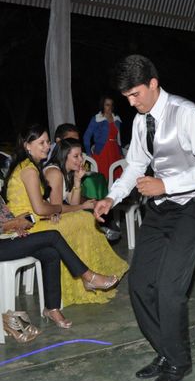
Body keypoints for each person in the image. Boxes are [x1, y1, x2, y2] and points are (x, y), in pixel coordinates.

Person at [93, 54, 195, 381]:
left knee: (170, 288)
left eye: (135, 94)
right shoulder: (140, 121)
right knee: (139, 284)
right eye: (126, 98)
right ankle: (165, 351)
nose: (131, 102)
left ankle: (179, 362)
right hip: (162, 207)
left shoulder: (186, 113)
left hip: (193, 205)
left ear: (153, 84)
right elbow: (135, 166)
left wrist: (166, 185)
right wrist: (112, 197)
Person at [3, 124, 127, 306]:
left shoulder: (30, 166)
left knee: (83, 219)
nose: (47, 146)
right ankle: (88, 278)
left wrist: (73, 186)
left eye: (47, 141)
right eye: (42, 142)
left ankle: (90, 276)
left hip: (35, 220)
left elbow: (46, 206)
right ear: (27, 146)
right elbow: (40, 208)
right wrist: (56, 209)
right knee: (83, 219)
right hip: (28, 225)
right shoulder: (29, 170)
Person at [1, 197, 119, 329]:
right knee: (53, 236)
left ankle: (52, 309)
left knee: (51, 253)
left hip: (6, 238)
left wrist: (15, 225)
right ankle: (88, 277)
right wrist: (13, 223)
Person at [44, 139, 96, 213]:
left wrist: (77, 179)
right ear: (64, 157)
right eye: (76, 156)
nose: (81, 159)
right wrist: (83, 206)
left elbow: (73, 204)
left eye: (81, 155)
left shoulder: (67, 172)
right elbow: (57, 209)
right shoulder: (54, 173)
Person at [83, 95, 124, 180]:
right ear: (102, 105)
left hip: (115, 151)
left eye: (111, 105)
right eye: (107, 105)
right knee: (103, 177)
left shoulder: (116, 119)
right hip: (102, 151)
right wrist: (88, 153)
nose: (109, 107)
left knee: (117, 178)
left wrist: (121, 153)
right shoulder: (97, 119)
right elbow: (86, 137)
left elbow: (118, 139)